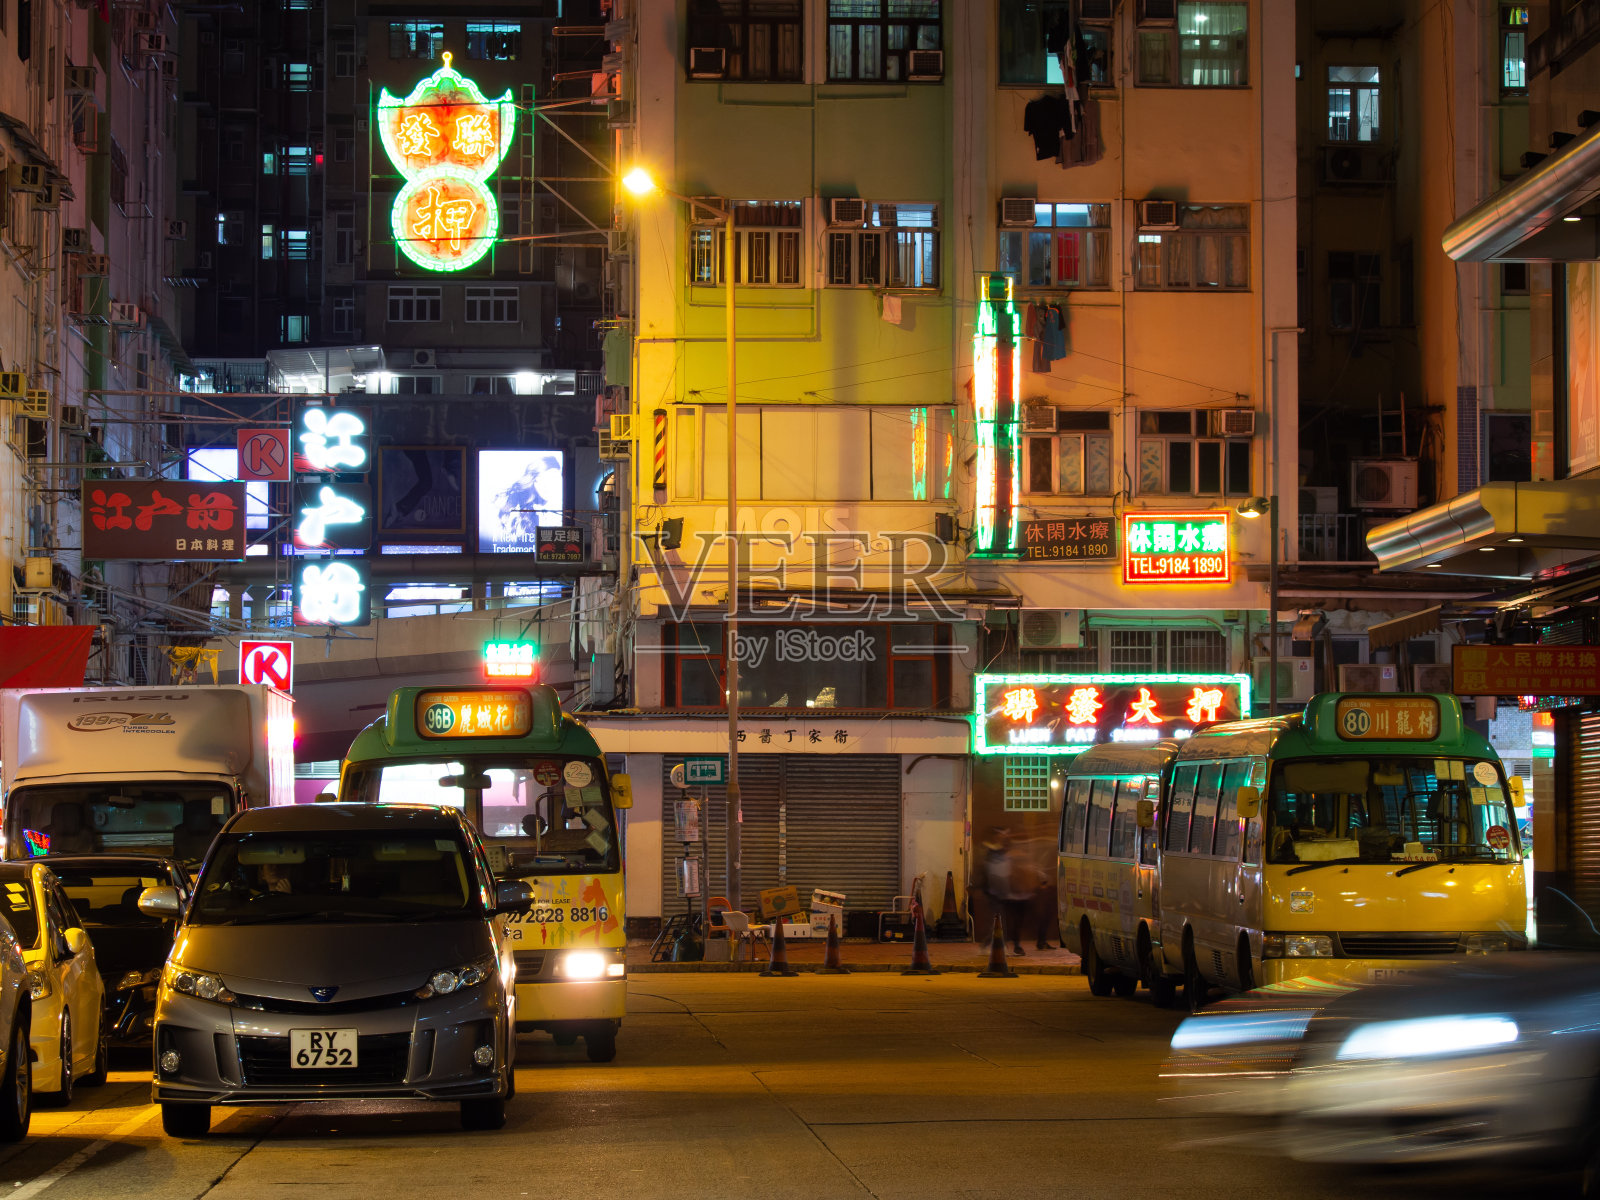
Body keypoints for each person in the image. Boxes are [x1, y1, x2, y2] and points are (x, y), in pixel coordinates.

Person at [981, 828, 1032, 957]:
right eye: (1001, 837)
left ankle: (995, 944)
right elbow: (991, 873)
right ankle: (1001, 946)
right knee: (1001, 920)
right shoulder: (993, 853)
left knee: (1006, 921)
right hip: (997, 894)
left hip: (1011, 894)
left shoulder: (1009, 853)